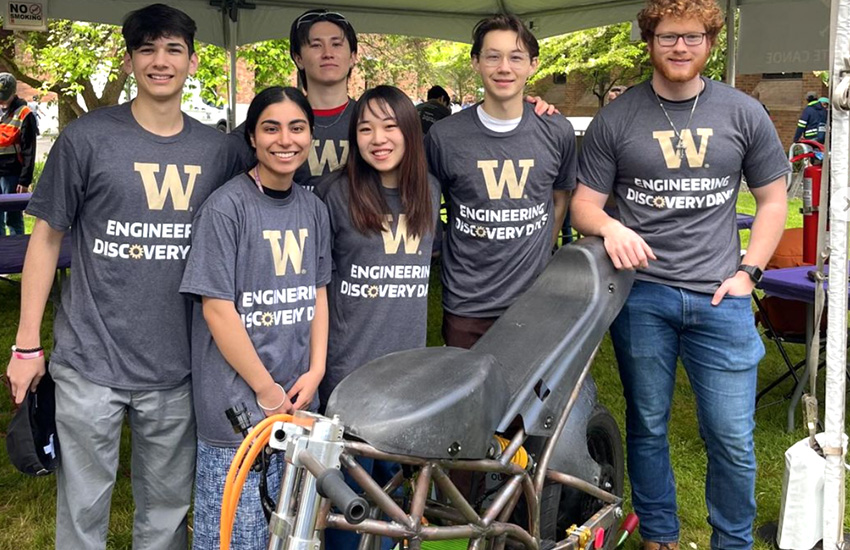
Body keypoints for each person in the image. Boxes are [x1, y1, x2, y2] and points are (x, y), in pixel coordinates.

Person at [4, 5, 242, 549]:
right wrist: (25, 346)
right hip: (89, 361)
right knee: (83, 511)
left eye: (173, 49)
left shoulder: (219, 151)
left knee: (165, 516)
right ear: (130, 58)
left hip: (179, 366)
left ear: (193, 59)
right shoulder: (85, 140)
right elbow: (45, 239)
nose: (161, 61)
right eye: (148, 49)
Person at [570, 0, 790, 549]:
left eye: (692, 37)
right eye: (668, 36)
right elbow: (583, 207)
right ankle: (660, 535)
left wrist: (750, 272)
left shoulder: (743, 112)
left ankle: (732, 540)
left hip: (724, 297)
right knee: (648, 425)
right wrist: (610, 228)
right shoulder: (616, 119)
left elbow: (772, 200)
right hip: (642, 297)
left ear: (710, 43)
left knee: (733, 437)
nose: (680, 47)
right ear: (650, 41)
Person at [180, 85, 330, 550]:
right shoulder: (227, 208)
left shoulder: (314, 208)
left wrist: (317, 369)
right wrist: (267, 392)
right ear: (251, 137)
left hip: (300, 402)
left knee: (296, 534)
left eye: (297, 127)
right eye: (271, 128)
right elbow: (218, 310)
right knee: (234, 535)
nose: (284, 140)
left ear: (310, 136)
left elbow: (318, 291)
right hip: (238, 411)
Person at [315, 84, 440, 550]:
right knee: (349, 508)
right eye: (365, 127)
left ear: (410, 131)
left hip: (407, 376)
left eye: (390, 125)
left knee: (397, 499)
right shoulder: (333, 194)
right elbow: (316, 291)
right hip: (349, 377)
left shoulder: (427, 190)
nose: (378, 137)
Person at [426, 13, 576, 349]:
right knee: (469, 397)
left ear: (533, 65)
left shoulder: (557, 131)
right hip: (467, 303)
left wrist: (544, 249)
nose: (504, 67)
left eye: (516, 57)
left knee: (532, 399)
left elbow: (560, 195)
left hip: (534, 299)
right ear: (476, 62)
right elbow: (427, 201)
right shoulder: (444, 136)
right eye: (493, 56)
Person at [0, 72, 37, 236]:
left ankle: (18, 256)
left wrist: (24, 179)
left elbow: (29, 150)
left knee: (13, 217)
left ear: (13, 93)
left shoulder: (24, 114)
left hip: (12, 174)